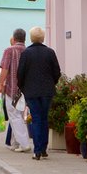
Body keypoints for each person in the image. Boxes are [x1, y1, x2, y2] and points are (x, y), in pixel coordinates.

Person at [17, 27, 61, 160]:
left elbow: (20, 74)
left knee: (35, 119)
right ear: (43, 38)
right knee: (44, 118)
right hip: (47, 91)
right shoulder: (50, 52)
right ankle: (43, 148)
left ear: (31, 38)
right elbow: (57, 72)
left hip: (31, 91)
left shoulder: (26, 53)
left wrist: (24, 88)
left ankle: (37, 150)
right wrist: (51, 83)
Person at [0, 29, 32, 154]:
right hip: (25, 89)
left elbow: (5, 69)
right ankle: (14, 143)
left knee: (14, 115)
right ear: (24, 38)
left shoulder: (9, 50)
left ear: (14, 38)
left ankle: (24, 143)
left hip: (12, 89)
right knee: (19, 114)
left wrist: (0, 84)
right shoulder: (28, 51)